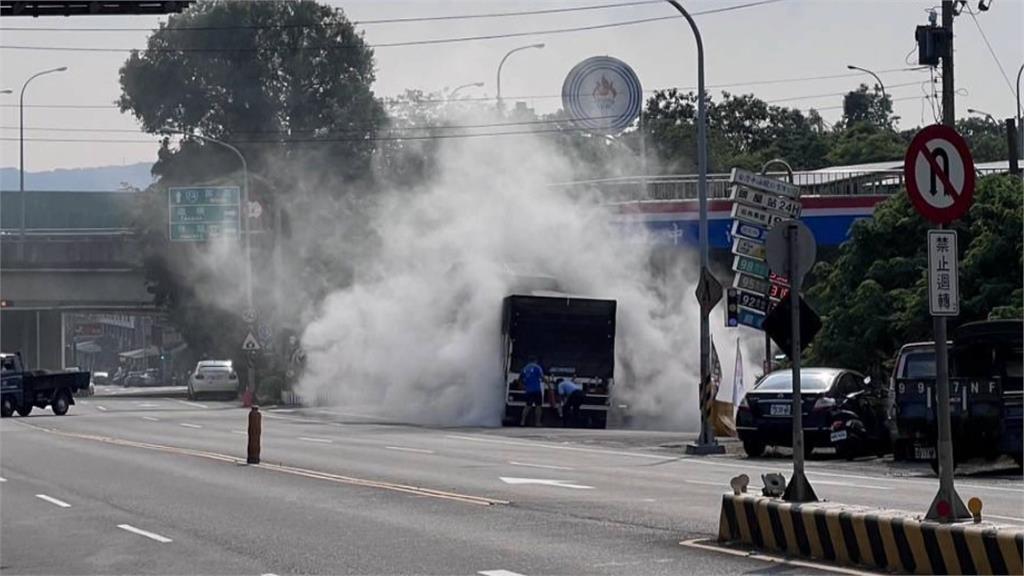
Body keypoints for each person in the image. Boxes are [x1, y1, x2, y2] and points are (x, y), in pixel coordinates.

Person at [519, 356, 545, 427]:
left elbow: (520, 379)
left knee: (527, 406)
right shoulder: (537, 367)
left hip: (528, 391)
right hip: (536, 390)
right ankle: (537, 423)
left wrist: (523, 387)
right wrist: (547, 382)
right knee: (538, 406)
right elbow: (542, 377)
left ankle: (522, 422)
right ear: (535, 360)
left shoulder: (524, 368)